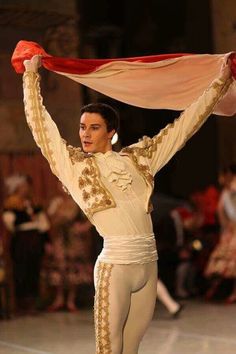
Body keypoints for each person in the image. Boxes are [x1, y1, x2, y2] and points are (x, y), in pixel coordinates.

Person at [22, 54, 233, 354]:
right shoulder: (73, 165)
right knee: (109, 350)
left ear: (111, 132)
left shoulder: (140, 159)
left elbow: (184, 126)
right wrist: (31, 76)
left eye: (94, 127)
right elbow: (41, 126)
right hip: (115, 268)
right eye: (82, 127)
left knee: (131, 348)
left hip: (148, 266)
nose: (85, 133)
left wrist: (220, 81)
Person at [2, 174, 50, 314]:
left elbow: (43, 223)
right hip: (22, 240)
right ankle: (21, 303)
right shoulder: (12, 204)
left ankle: (33, 302)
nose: (25, 189)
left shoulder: (33, 203)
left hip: (35, 239)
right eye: (22, 187)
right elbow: (9, 223)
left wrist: (46, 241)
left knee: (34, 270)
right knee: (21, 269)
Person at [42, 183, 93, 312]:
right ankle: (59, 299)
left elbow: (91, 218)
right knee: (60, 266)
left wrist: (83, 227)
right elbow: (50, 221)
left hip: (74, 239)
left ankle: (71, 300)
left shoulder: (78, 201)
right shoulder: (57, 202)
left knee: (73, 267)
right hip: (59, 238)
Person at [205, 165, 236, 303]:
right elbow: (221, 212)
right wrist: (226, 227)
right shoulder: (226, 191)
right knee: (227, 262)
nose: (220, 179)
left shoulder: (232, 187)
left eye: (222, 175)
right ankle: (221, 290)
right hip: (230, 229)